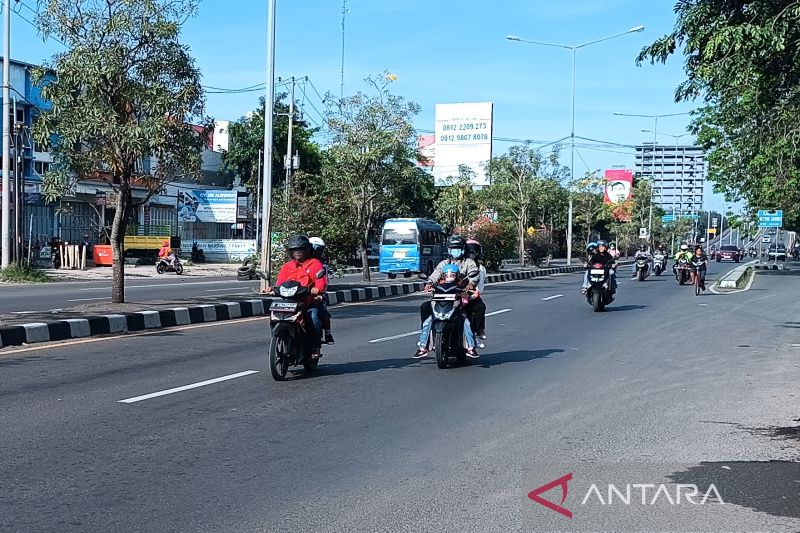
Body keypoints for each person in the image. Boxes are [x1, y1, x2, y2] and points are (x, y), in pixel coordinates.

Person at [414, 235, 479, 358]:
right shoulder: (444, 263)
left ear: (463, 249)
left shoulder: (468, 262)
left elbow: (474, 276)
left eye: (458, 248)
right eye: (453, 248)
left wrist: (470, 284)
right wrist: (429, 283)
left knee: (466, 321)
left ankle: (471, 346)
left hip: (459, 297)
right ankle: (423, 346)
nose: (455, 251)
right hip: (441, 296)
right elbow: (435, 275)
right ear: (449, 250)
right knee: (427, 317)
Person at [264, 235, 328, 359]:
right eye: (294, 250)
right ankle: (277, 341)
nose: (297, 252)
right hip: (290, 302)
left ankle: (315, 347)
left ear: (307, 250)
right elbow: (280, 284)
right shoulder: (287, 266)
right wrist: (272, 289)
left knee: (313, 317)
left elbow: (321, 282)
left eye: (300, 249)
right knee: (274, 316)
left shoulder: (315, 264)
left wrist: (317, 289)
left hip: (308, 301)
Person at [309, 236, 334, 344]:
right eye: (313, 248)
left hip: (316, 296)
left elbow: (324, 282)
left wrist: (319, 293)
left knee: (320, 314)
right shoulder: (298, 263)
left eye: (318, 249)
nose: (315, 251)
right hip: (298, 294)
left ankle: (327, 334)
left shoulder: (321, 265)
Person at [465, 239, 487, 348]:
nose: (471, 255)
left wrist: (473, 294)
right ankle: (430, 337)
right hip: (452, 295)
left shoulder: (480, 269)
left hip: (470, 296)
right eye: (469, 252)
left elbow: (479, 288)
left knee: (480, 307)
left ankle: (476, 332)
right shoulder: (455, 264)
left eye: (473, 252)